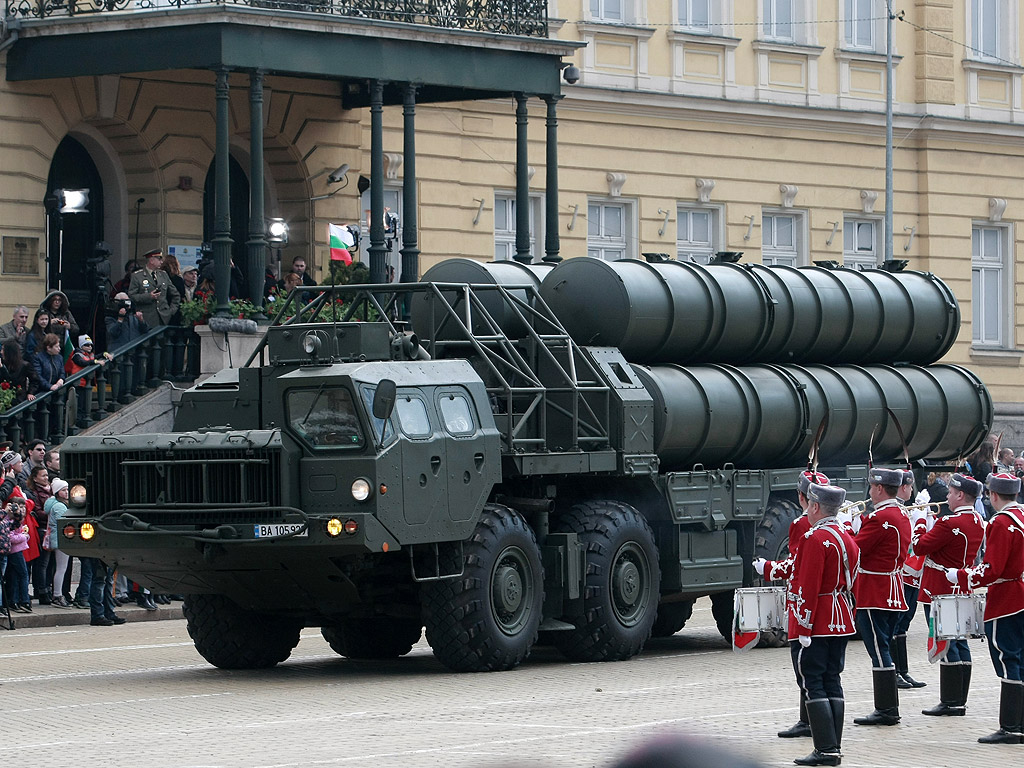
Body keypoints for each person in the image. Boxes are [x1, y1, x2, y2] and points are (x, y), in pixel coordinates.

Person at [947, 471, 1024, 744]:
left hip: (1007, 598)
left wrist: (962, 576)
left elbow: (993, 569)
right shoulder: (1022, 517)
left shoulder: (1002, 523)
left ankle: (1013, 726)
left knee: (1008, 659)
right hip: (1020, 593)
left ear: (992, 495)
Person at [752, 469, 829, 740]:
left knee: (805, 669)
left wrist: (768, 568)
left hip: (805, 606)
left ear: (802, 496)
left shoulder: (800, 525)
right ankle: (816, 724)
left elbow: (796, 567)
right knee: (826, 675)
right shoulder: (839, 525)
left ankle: (811, 723)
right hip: (834, 610)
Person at [786, 483, 859, 767]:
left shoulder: (814, 538)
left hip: (818, 620)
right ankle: (833, 747)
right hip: (841, 616)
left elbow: (808, 586)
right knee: (832, 680)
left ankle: (826, 749)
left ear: (814, 506)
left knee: (812, 682)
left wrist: (803, 627)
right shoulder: (847, 537)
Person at [912, 472, 985, 717]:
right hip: (961, 586)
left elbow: (919, 546)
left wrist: (920, 519)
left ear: (961, 495)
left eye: (952, 493)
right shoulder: (977, 521)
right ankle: (959, 699)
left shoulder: (949, 523)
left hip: (940, 588)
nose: (948, 497)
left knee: (947, 645)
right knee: (961, 643)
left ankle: (951, 701)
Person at [852, 466, 912, 727]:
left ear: (878, 489)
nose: (869, 491)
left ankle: (887, 709)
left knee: (879, 651)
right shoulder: (900, 512)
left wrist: (846, 528)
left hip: (875, 591)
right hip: (892, 589)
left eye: (871, 487)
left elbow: (856, 549)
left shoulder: (880, 518)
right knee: (883, 647)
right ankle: (888, 707)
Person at [893, 471, 927, 689]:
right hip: (901, 575)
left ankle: (903, 671)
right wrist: (921, 519)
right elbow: (913, 542)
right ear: (902, 487)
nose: (911, 490)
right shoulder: (896, 511)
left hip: (913, 576)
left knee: (904, 624)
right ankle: (894, 671)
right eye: (909, 486)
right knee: (896, 625)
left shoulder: (905, 510)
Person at [128, 248, 181, 327]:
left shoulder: (163, 275)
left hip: (163, 318)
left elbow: (175, 294)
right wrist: (149, 296)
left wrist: (171, 311)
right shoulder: (137, 276)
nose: (161, 262)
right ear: (151, 260)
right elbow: (132, 296)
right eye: (159, 259)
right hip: (146, 318)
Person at [42, 478, 74, 608]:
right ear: (57, 492)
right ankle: (57, 595)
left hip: (57, 539)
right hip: (61, 541)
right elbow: (66, 523)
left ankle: (57, 594)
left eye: (67, 489)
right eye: (63, 490)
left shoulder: (53, 504)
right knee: (61, 568)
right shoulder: (60, 506)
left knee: (60, 568)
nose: (67, 492)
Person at [1, 495, 32, 613]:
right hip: (14, 551)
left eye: (23, 507)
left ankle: (14, 600)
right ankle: (24, 600)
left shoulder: (15, 519)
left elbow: (17, 525)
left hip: (17, 550)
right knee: (24, 574)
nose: (21, 509)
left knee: (14, 576)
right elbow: (11, 537)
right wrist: (24, 537)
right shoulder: (6, 519)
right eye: (18, 507)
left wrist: (18, 514)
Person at [1, 339, 38, 404]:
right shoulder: (2, 364)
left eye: (3, 350)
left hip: (18, 397)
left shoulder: (24, 365)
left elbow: (35, 380)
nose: (1, 352)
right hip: (3, 397)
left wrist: (31, 393)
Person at [162, 252, 187, 324]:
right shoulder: (178, 279)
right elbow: (182, 293)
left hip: (164, 306)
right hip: (176, 308)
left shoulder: (161, 277)